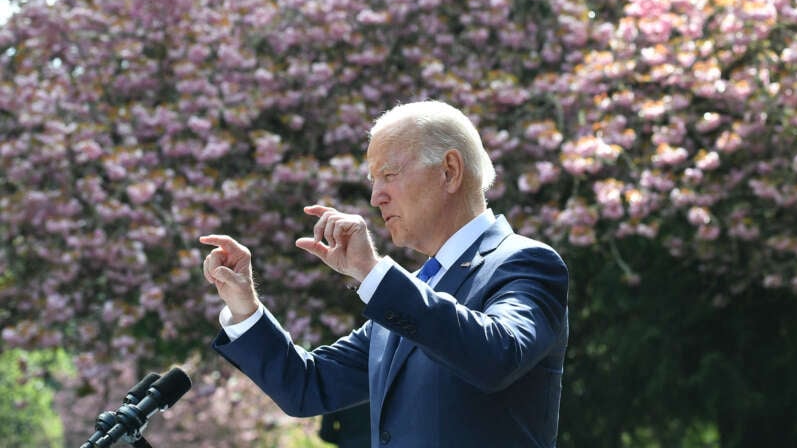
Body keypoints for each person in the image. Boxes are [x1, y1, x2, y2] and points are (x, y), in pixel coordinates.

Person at [200, 100, 570, 447]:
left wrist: (371, 271)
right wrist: (244, 305)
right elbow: (307, 386)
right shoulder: (414, 289)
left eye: (389, 174)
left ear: (450, 171)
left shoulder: (525, 262)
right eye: (372, 181)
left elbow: (497, 355)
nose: (376, 197)